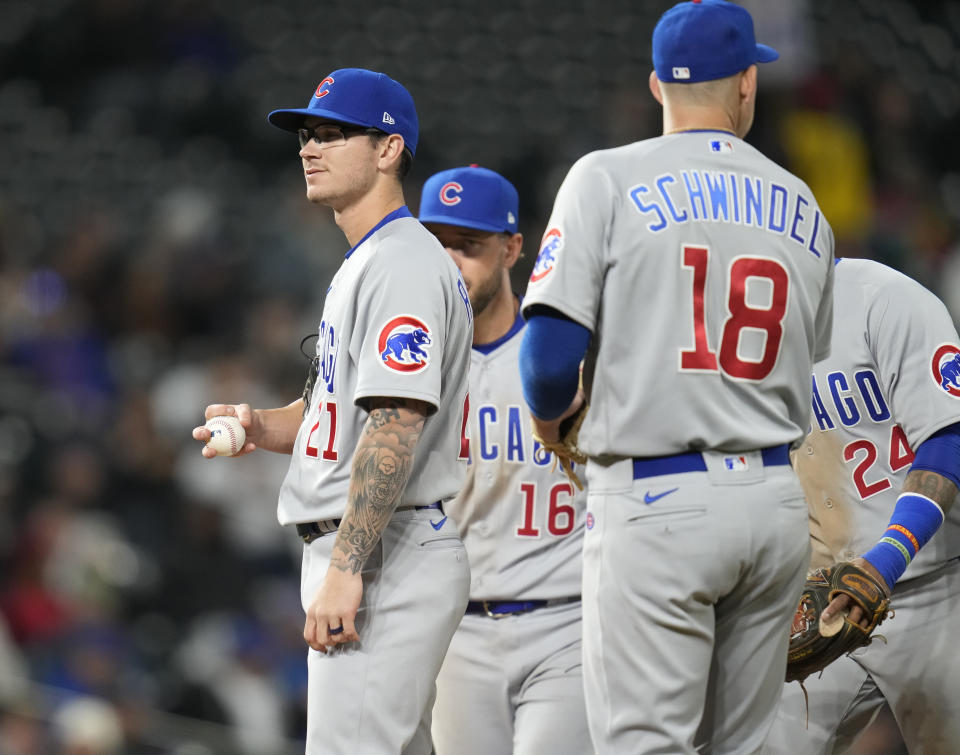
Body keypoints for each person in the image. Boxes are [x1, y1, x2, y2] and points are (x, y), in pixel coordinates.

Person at [518, 1, 836, 752]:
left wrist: (553, 420)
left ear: (657, 85)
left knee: (645, 743)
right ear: (748, 83)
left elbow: (546, 359)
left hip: (657, 500)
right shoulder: (802, 201)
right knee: (748, 743)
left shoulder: (606, 176)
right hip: (772, 501)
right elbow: (807, 354)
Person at [191, 68, 473, 754]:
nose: (308, 148)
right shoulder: (370, 259)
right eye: (307, 135)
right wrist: (263, 425)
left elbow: (396, 423)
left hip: (383, 548)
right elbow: (341, 416)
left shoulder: (401, 263)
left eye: (333, 133)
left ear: (389, 149)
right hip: (380, 542)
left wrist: (348, 566)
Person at [417, 166, 591, 755]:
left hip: (569, 622)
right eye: (438, 245)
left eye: (469, 245)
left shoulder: (566, 360)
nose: (451, 261)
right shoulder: (409, 366)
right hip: (456, 633)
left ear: (513, 248)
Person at [764, 259, 960, 754]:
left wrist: (887, 558)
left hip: (939, 585)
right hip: (825, 597)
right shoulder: (736, 332)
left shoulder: (884, 299)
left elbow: (949, 438)